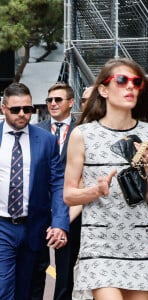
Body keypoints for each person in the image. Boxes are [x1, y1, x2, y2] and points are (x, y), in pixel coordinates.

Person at [63, 58, 148, 300]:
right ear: (103, 89)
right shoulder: (82, 135)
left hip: (139, 243)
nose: (130, 86)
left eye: (136, 82)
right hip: (99, 244)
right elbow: (68, 194)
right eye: (121, 80)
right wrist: (95, 191)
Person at [0, 82, 69, 300]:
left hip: (33, 228)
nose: (22, 114)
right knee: (3, 287)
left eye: (27, 109)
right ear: (3, 108)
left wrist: (59, 222)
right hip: (2, 226)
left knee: (28, 288)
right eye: (15, 109)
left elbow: (58, 183)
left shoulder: (47, 141)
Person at [31, 83, 80, 300]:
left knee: (65, 271)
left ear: (71, 102)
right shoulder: (35, 131)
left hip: (72, 211)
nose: (52, 104)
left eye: (58, 100)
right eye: (49, 100)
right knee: (35, 266)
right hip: (38, 210)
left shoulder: (83, 132)